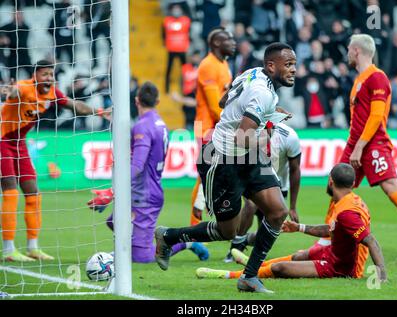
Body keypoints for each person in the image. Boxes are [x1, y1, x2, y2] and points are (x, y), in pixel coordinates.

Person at [155, 42, 297, 294]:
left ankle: (249, 277)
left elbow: (223, 101)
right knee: (226, 231)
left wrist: (269, 113)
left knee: (277, 212)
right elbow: (241, 137)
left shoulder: (252, 73)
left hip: (247, 158)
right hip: (221, 160)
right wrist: (266, 130)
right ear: (271, 65)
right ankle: (168, 236)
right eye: (288, 65)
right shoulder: (261, 92)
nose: (294, 70)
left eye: (294, 64)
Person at [315, 34, 397, 256]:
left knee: (392, 189)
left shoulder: (376, 77)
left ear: (357, 51)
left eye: (349, 49)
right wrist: (354, 145)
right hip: (354, 143)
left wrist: (360, 146)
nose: (347, 53)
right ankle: (326, 239)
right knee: (336, 188)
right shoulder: (358, 79)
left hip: (373, 144)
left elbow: (377, 116)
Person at [196, 163, 387, 283]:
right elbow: (332, 230)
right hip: (334, 254)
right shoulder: (351, 200)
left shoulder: (346, 212)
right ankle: (253, 264)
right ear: (352, 184)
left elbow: (371, 241)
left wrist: (381, 277)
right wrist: (299, 228)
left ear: (330, 181)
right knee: (298, 256)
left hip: (341, 267)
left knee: (280, 269)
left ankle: (230, 275)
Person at [87, 82, 209, 263]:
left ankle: (186, 242)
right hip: (142, 189)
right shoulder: (160, 123)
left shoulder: (143, 126)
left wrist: (112, 192)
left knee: (142, 257)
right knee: (114, 223)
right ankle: (136, 244)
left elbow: (137, 165)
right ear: (158, 101)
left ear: (136, 101)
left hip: (145, 194)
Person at [1, 60, 95, 262]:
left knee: (34, 193)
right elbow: (13, 93)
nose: (49, 78)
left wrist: (98, 112)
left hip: (19, 144)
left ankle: (32, 247)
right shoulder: (24, 87)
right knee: (10, 191)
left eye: (51, 74)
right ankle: (8, 249)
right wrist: (10, 93)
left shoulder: (53, 92)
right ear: (35, 76)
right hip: (2, 141)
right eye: (45, 74)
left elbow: (74, 106)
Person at [224, 122, 301, 262]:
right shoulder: (251, 131)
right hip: (253, 180)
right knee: (250, 205)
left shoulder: (289, 136)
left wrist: (293, 207)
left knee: (265, 231)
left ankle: (245, 241)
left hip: (278, 185)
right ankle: (236, 246)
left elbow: (295, 169)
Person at [190, 27, 235, 226]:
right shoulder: (208, 65)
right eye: (228, 39)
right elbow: (214, 105)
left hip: (219, 126)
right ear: (217, 43)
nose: (233, 42)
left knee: (216, 174)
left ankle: (203, 227)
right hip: (206, 126)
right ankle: (194, 229)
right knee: (205, 174)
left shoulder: (223, 64)